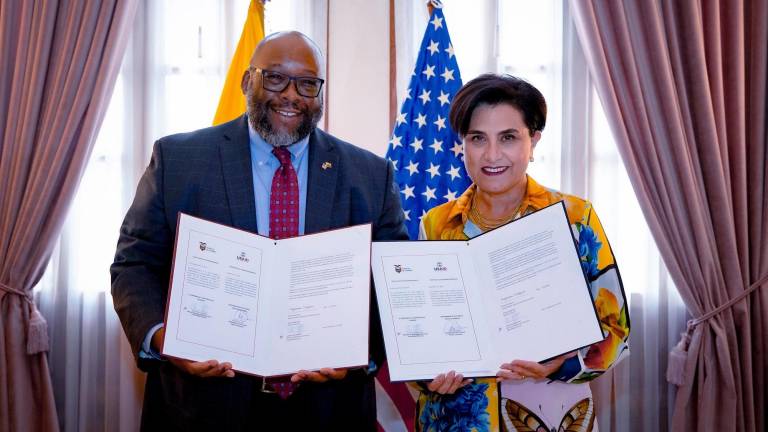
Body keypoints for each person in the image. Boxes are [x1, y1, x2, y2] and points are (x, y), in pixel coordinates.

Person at [110, 31, 408, 431]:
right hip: (205, 405)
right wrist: (164, 339)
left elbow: (393, 284)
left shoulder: (369, 174)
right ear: (247, 80)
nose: (291, 95)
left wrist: (359, 351)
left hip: (328, 409)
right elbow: (134, 263)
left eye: (307, 83)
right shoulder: (179, 160)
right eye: (275, 78)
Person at [413, 74, 630, 431]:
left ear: (534, 141)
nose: (492, 154)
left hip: (550, 413)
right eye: (477, 138)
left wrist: (561, 363)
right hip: (455, 419)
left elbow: (617, 331)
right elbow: (421, 329)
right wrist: (429, 375)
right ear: (462, 145)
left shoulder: (575, 218)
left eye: (509, 138)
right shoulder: (436, 225)